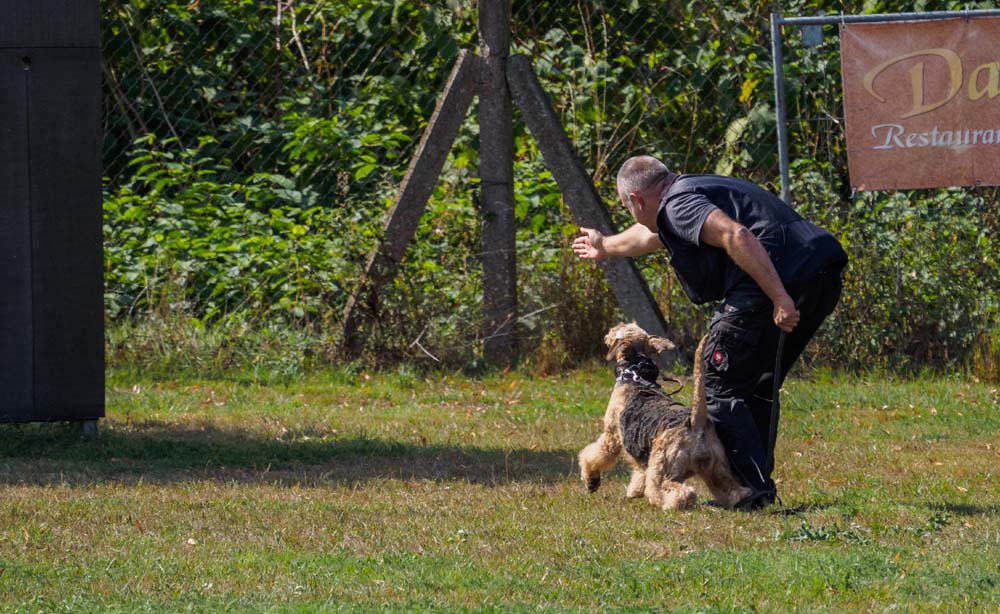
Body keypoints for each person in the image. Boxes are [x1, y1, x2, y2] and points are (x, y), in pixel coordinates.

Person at [573, 155, 847, 510]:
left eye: (628, 207)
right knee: (757, 383)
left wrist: (780, 297)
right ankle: (754, 489)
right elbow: (650, 233)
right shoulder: (689, 191)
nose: (632, 214)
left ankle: (743, 491)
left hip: (777, 282)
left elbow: (736, 234)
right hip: (820, 272)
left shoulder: (678, 205)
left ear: (637, 200)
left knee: (719, 378)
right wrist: (605, 246)